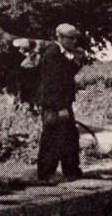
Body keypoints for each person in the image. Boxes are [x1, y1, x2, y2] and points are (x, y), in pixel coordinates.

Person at [35, 24, 85, 183]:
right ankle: (46, 174)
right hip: (54, 104)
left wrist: (77, 61)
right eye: (70, 38)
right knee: (52, 138)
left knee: (69, 136)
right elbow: (53, 84)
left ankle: (71, 171)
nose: (74, 41)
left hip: (62, 103)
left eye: (75, 38)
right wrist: (61, 107)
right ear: (60, 38)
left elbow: (67, 74)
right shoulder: (52, 55)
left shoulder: (62, 54)